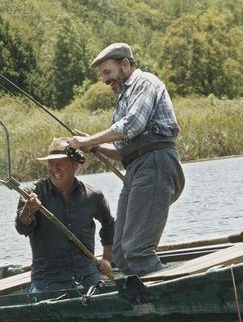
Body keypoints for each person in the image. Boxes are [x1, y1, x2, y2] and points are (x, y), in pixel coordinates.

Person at [67, 42, 185, 277]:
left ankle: (163, 293)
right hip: (138, 169)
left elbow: (132, 125)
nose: (104, 79)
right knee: (120, 252)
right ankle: (139, 302)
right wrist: (94, 147)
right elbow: (124, 151)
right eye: (102, 74)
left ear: (125, 64)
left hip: (156, 164)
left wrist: (89, 140)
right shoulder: (124, 97)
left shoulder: (145, 83)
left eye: (107, 72)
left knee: (137, 249)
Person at [15, 137, 114, 293]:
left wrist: (107, 259)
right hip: (48, 279)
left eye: (60, 163)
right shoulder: (32, 193)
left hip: (88, 275)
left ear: (74, 165)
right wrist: (29, 209)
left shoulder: (93, 195)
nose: (55, 169)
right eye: (51, 164)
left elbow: (109, 225)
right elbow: (22, 228)